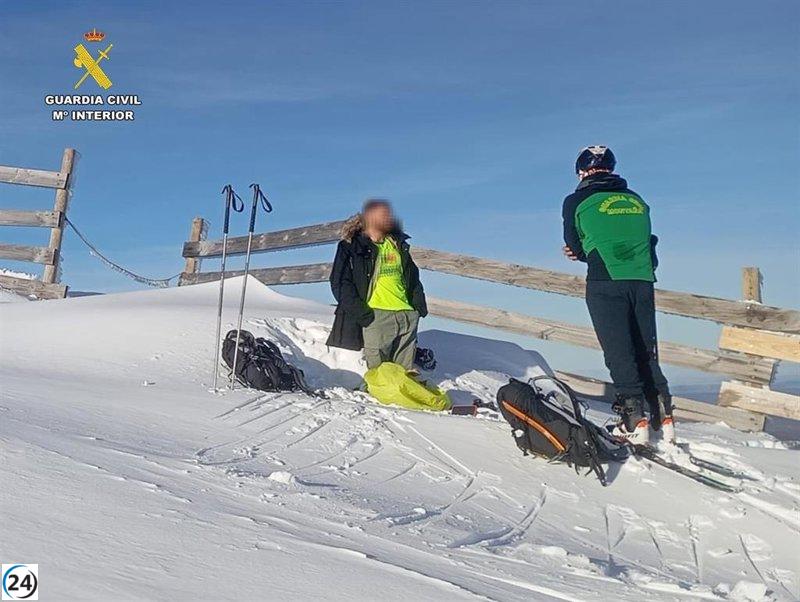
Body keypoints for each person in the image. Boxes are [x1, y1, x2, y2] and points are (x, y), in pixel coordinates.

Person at [561, 145, 674, 446]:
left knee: (619, 350)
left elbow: (575, 243)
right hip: (642, 280)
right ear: (611, 169)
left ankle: (634, 421)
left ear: (581, 171)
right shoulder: (636, 199)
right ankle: (663, 415)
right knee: (644, 348)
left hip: (605, 279)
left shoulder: (576, 200)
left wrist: (583, 253)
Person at [326, 199, 427, 371]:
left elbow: (412, 276)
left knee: (404, 376)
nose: (389, 218)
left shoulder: (397, 243)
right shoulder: (351, 246)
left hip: (406, 315)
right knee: (379, 376)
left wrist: (417, 307)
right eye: (383, 215)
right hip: (376, 316)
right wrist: (363, 314)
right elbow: (340, 282)